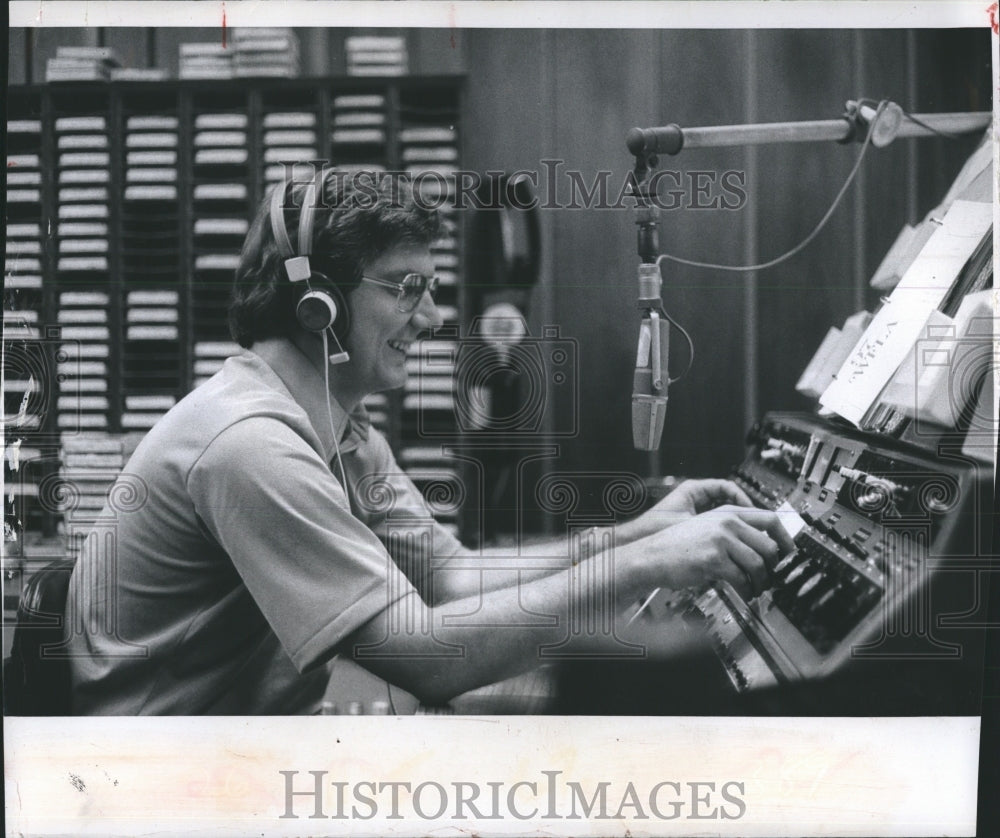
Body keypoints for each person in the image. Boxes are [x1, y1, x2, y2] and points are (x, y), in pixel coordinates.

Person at [65, 170, 793, 714]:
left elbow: (451, 576)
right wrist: (647, 565)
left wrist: (639, 535)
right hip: (169, 778)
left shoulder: (338, 430)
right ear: (314, 301)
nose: (434, 316)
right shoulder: (249, 445)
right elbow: (426, 656)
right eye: (406, 287)